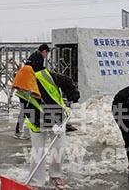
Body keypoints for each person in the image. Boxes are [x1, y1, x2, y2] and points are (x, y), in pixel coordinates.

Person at [21, 51, 79, 189]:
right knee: (38, 152)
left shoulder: (49, 76)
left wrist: (74, 97)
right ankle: (35, 182)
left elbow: (67, 82)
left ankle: (55, 176)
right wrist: (46, 124)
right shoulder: (23, 81)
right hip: (36, 121)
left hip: (58, 118)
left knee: (59, 149)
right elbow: (28, 108)